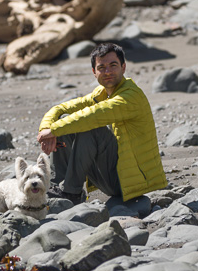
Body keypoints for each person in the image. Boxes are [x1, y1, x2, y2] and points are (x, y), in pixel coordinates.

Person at [37, 42, 167, 204]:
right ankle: (57, 187)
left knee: (89, 127)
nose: (108, 72)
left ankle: (71, 193)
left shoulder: (131, 96)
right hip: (112, 175)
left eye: (113, 65)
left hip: (132, 182)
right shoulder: (101, 93)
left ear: (123, 67)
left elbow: (94, 115)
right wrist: (46, 128)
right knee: (64, 121)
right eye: (101, 67)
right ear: (94, 72)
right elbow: (61, 108)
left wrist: (54, 130)